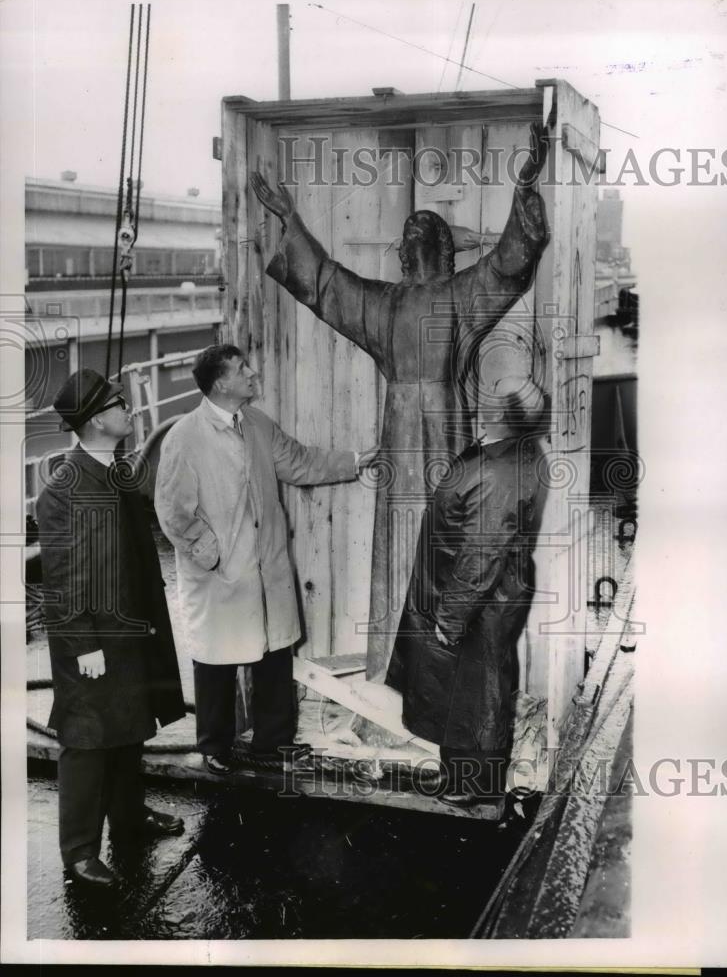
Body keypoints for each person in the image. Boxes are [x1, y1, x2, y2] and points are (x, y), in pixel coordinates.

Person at [251, 122, 549, 680]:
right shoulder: (462, 293)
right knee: (451, 536)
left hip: (401, 433)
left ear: (405, 260)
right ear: (447, 256)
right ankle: (438, 678)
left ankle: (392, 671)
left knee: (404, 541)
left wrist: (290, 220)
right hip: (447, 432)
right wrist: (525, 186)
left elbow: (321, 282)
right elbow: (513, 261)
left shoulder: (381, 303)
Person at [154, 344, 377, 775]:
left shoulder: (256, 423)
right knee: (216, 661)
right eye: (243, 369)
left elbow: (298, 461)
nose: (253, 373)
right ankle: (214, 745)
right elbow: (172, 512)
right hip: (220, 574)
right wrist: (212, 556)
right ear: (221, 383)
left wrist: (352, 461)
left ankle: (272, 745)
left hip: (265, 567)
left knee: (274, 656)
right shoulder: (184, 437)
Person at [36, 369, 187, 890]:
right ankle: (78, 850)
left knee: (129, 725)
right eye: (121, 404)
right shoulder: (64, 489)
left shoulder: (115, 470)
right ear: (98, 419)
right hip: (94, 637)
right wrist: (83, 644)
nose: (130, 410)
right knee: (88, 738)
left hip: (130, 628)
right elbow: (61, 577)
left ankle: (127, 819)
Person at [385, 376, 549, 807]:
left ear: (501, 415)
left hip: (476, 599)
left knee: (475, 693)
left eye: (490, 400)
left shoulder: (498, 470)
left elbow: (482, 552)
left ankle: (473, 786)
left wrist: (451, 617)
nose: (480, 401)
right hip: (477, 594)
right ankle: (462, 777)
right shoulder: (505, 451)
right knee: (462, 689)